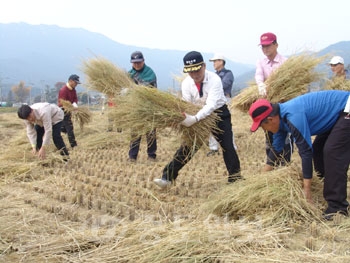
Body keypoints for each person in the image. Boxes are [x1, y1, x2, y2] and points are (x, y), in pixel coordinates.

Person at [248, 90, 350, 220]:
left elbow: (306, 152)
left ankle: (338, 208)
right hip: (336, 116)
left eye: (263, 127)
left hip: (347, 108)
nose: (264, 130)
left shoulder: (293, 116)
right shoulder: (280, 121)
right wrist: (260, 180)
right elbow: (276, 150)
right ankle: (329, 188)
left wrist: (306, 192)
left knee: (332, 152)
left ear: (270, 119)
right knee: (319, 150)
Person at [153, 51, 241, 188]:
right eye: (190, 72)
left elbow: (211, 105)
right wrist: (183, 118)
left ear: (204, 66)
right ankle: (167, 177)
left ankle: (235, 180)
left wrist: (194, 119)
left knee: (227, 146)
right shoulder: (186, 83)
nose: (195, 75)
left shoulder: (215, 80)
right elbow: (187, 104)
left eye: (197, 70)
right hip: (196, 114)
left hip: (218, 114)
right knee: (188, 147)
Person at [255, 32, 292, 169]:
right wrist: (261, 85)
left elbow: (288, 83)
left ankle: (285, 166)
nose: (265, 49)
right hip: (268, 106)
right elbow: (259, 76)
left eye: (268, 45)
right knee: (269, 134)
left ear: (276, 45)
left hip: (283, 105)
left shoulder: (285, 62)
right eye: (263, 46)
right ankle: (271, 165)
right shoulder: (261, 62)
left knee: (285, 135)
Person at [128, 51, 157, 162]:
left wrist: (136, 87)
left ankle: (151, 155)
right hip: (135, 108)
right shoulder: (129, 74)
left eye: (138, 62)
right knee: (135, 132)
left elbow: (150, 89)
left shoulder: (150, 73)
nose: (136, 65)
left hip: (149, 107)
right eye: (134, 63)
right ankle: (132, 156)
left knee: (150, 132)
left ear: (143, 61)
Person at [207, 53, 237, 156]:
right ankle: (213, 148)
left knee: (226, 125)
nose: (214, 64)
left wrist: (212, 87)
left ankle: (231, 147)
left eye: (215, 61)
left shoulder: (228, 73)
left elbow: (223, 85)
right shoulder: (214, 75)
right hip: (213, 101)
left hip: (224, 100)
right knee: (211, 124)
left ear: (221, 61)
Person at [58, 74, 80, 148]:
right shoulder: (63, 90)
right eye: (75, 83)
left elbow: (75, 99)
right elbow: (62, 103)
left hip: (70, 110)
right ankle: (73, 145)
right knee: (69, 127)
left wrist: (75, 105)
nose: (76, 84)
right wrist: (69, 107)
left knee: (64, 128)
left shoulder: (73, 90)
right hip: (63, 111)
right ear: (70, 81)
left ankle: (59, 130)